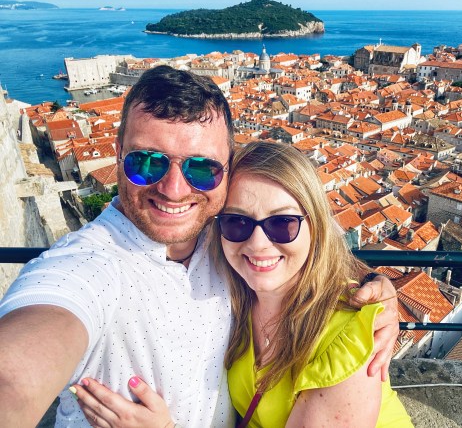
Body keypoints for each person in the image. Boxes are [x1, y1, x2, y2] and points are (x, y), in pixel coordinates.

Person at [0, 66, 400, 427]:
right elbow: (14, 376)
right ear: (118, 155)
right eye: (147, 162)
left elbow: (309, 246)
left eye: (201, 168)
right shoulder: (86, 265)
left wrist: (377, 285)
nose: (174, 190)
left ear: (225, 171)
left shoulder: (223, 234)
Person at [72, 141, 413, 427]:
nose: (258, 244)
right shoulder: (237, 295)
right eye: (237, 222)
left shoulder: (348, 340)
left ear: (316, 227)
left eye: (282, 223)